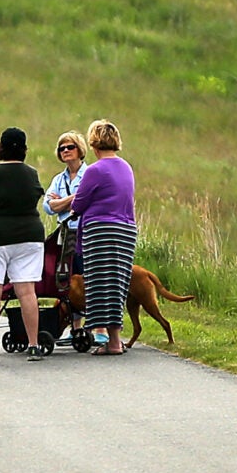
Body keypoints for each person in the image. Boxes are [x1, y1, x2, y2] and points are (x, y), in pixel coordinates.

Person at [0, 126, 47, 363]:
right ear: (24, 150)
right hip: (29, 237)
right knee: (27, 292)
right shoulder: (31, 173)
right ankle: (34, 345)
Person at [74, 118, 137, 355]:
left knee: (99, 283)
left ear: (94, 142)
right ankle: (116, 338)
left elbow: (79, 203)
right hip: (126, 229)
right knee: (117, 282)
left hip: (100, 230)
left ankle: (110, 342)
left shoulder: (95, 170)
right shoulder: (126, 167)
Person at [43, 130, 88, 267]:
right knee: (67, 275)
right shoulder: (58, 179)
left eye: (70, 147)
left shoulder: (90, 174)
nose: (66, 150)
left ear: (79, 149)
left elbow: (90, 204)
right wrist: (75, 198)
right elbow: (48, 207)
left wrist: (61, 201)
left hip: (85, 233)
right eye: (62, 148)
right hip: (66, 235)